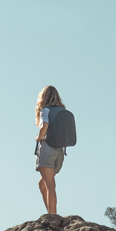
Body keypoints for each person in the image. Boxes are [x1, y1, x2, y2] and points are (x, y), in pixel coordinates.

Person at [34, 85, 66, 215]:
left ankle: (53, 217)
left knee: (50, 186)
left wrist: (39, 137)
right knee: (43, 184)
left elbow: (44, 125)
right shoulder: (62, 112)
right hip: (59, 152)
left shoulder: (45, 110)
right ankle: (51, 213)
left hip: (48, 149)